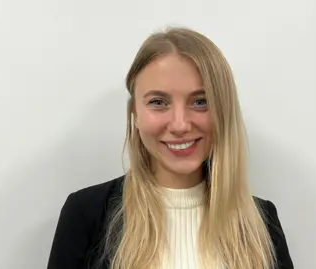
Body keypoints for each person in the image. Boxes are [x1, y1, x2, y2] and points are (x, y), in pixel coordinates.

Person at [47, 27, 293, 269]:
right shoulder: (87, 214)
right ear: (135, 113)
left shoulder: (262, 222)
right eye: (158, 102)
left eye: (201, 101)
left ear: (224, 110)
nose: (180, 125)